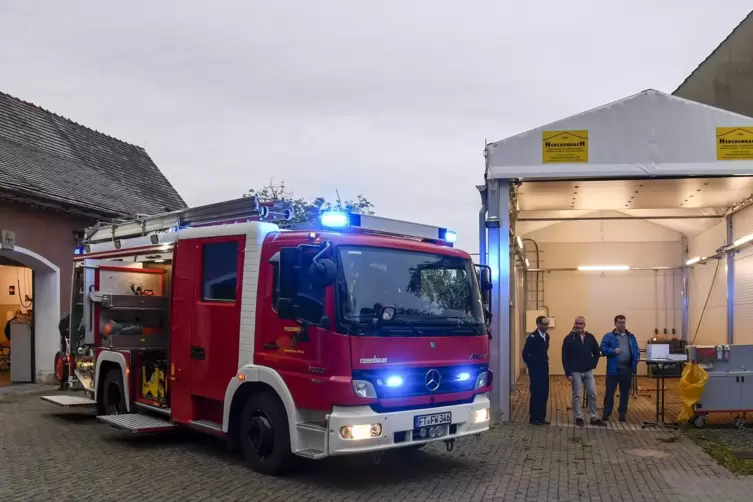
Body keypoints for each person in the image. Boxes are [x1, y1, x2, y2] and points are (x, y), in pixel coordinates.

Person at [562, 316, 603, 426]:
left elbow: (597, 351)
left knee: (592, 393)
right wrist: (568, 372)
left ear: (584, 325)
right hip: (575, 371)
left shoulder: (590, 337)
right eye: (577, 323)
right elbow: (565, 357)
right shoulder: (569, 339)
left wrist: (593, 364)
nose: (579, 325)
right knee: (577, 395)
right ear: (574, 324)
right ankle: (578, 417)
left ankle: (594, 417)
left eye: (581, 323)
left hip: (588, 371)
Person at [600, 314, 640, 422]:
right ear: (615, 323)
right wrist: (613, 351)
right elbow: (602, 349)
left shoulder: (631, 336)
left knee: (625, 392)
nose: (622, 324)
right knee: (609, 392)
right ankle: (606, 412)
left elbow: (636, 349)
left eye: (623, 322)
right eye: (620, 322)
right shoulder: (609, 336)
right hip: (613, 370)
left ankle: (622, 413)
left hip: (626, 369)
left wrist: (636, 359)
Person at [522, 315, 550, 425]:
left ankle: (541, 417)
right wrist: (531, 365)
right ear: (538, 324)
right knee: (536, 392)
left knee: (544, 392)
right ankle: (534, 417)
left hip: (544, 367)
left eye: (547, 324)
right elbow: (525, 354)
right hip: (536, 368)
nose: (546, 326)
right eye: (544, 324)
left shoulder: (546, 336)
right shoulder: (532, 337)